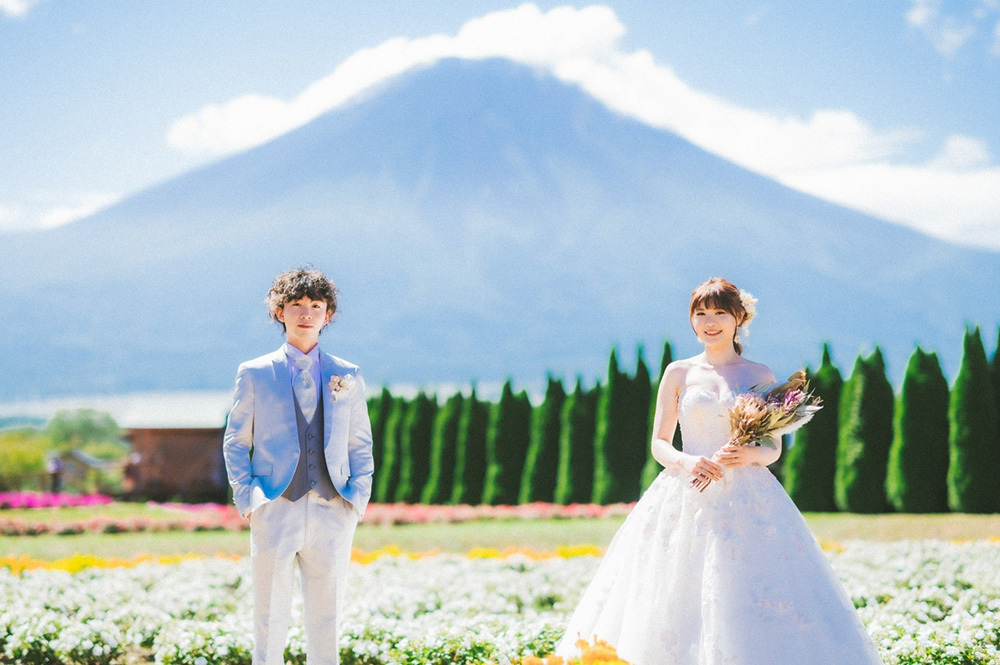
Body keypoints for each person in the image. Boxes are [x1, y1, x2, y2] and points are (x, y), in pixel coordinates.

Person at [556, 277, 882, 664]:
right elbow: (659, 443)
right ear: (691, 320)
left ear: (738, 318)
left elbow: (773, 448)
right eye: (701, 314)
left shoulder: (759, 374)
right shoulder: (678, 372)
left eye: (720, 313)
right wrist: (687, 461)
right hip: (686, 489)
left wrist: (746, 454)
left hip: (747, 495)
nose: (710, 322)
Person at [223, 267, 374, 665]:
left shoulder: (348, 374)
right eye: (296, 304)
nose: (306, 313)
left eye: (316, 306)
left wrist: (357, 499)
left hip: (333, 507)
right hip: (274, 506)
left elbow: (360, 443)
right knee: (269, 614)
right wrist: (248, 498)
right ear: (280, 311)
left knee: (328, 615)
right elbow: (236, 441)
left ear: (328, 314)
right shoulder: (254, 373)